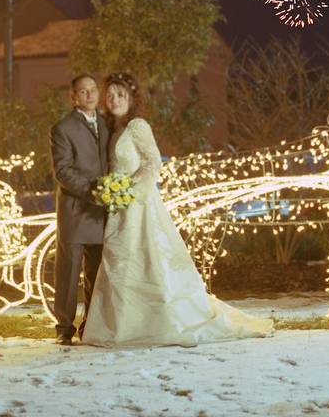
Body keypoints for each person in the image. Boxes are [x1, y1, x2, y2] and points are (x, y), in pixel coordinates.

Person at [82, 73, 273, 347]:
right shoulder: (115, 131)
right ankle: (124, 325)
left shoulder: (138, 126)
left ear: (132, 98)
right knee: (119, 261)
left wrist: (129, 191)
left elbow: (152, 164)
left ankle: (160, 321)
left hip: (139, 205)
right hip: (119, 208)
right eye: (110, 95)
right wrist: (114, 193)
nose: (114, 100)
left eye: (120, 95)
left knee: (146, 259)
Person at [49, 74, 110, 346]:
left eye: (93, 89)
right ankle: (64, 326)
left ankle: (90, 325)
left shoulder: (108, 124)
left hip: (102, 212)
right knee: (69, 272)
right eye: (82, 91)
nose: (89, 94)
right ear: (73, 97)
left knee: (97, 274)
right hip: (76, 209)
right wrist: (92, 190)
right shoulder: (63, 128)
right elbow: (63, 170)